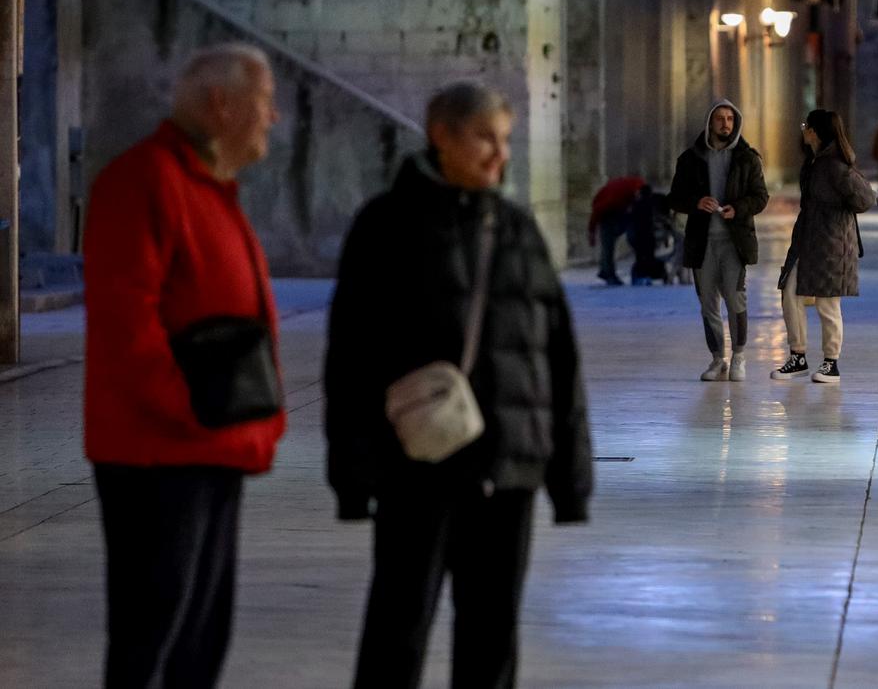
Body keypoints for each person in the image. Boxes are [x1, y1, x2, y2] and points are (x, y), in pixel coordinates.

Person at [324, 81, 593, 689]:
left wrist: (569, 481)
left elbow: (558, 361)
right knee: (398, 628)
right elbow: (352, 359)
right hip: (416, 468)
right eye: (485, 140)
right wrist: (353, 475)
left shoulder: (520, 229)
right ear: (441, 136)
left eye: (505, 142)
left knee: (492, 635)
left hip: (508, 469)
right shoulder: (386, 225)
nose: (500, 156)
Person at [83, 43, 286, 689]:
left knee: (202, 637)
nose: (272, 117)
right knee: (154, 632)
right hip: (159, 453)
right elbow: (128, 327)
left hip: (211, 445)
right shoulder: (142, 181)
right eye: (263, 102)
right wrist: (193, 410)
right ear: (221, 103)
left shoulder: (209, 185)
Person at [773, 109, 876, 384]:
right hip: (807, 240)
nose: (803, 129)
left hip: (832, 243)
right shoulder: (814, 162)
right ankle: (798, 356)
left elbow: (866, 198)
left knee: (827, 304)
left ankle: (831, 362)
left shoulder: (834, 166)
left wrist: (838, 213)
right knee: (790, 292)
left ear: (815, 132)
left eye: (806, 125)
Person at [669, 100, 769, 380]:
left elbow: (761, 197)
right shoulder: (690, 159)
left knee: (736, 299)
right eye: (719, 119)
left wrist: (738, 208)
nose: (725, 124)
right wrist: (696, 202)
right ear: (710, 123)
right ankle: (717, 359)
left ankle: (739, 356)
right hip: (702, 242)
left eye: (729, 119)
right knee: (708, 304)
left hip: (734, 242)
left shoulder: (747, 158)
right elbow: (674, 197)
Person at [589, 174, 646, 286]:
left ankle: (607, 270)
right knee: (608, 244)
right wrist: (592, 232)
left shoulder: (636, 187)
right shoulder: (612, 199)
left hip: (619, 211)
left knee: (615, 240)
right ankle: (607, 272)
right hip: (607, 213)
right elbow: (597, 211)